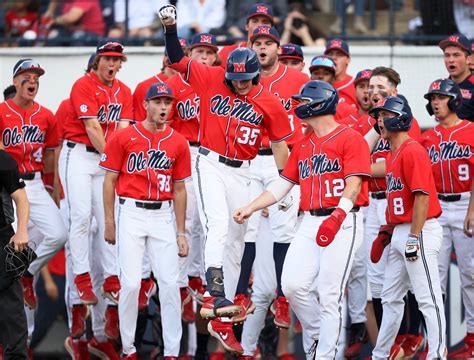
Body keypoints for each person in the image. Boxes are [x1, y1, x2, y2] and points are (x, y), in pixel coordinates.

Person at [159, 4, 292, 355]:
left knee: (237, 238)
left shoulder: (269, 102)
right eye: (235, 79)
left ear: (256, 75)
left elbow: (280, 144)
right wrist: (171, 28)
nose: (240, 84)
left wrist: (286, 183)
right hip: (210, 163)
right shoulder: (212, 77)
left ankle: (222, 313)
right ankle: (214, 291)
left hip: (245, 171)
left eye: (245, 78)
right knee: (218, 225)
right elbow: (176, 58)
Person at [234, 80, 371, 359]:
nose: (299, 106)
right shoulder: (305, 143)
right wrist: (251, 206)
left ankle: (324, 354)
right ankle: (320, 333)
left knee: (329, 294)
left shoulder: (350, 137)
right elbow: (283, 183)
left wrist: (338, 215)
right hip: (309, 221)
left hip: (342, 220)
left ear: (319, 103)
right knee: (293, 286)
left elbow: (354, 185)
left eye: (303, 101)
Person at [101, 82, 191, 359]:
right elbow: (109, 180)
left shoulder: (178, 141)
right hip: (130, 212)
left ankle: (172, 352)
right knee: (129, 284)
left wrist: (180, 232)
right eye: (159, 102)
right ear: (147, 105)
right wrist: (109, 221)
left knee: (169, 283)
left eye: (168, 102)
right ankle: (128, 349)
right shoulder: (123, 136)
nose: (164, 107)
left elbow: (179, 189)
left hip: (163, 214)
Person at [235, 24, 307, 356]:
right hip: (249, 162)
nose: (262, 48)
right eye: (257, 43)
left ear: (278, 47)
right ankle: (239, 298)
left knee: (282, 230)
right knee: (243, 228)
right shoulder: (240, 79)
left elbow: (308, 127)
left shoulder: (297, 81)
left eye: (268, 43)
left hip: (283, 160)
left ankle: (283, 299)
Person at [59, 41, 133, 351]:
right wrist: (114, 159)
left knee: (108, 222)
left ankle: (112, 280)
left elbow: (124, 127)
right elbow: (91, 127)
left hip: (105, 159)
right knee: (80, 219)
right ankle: (82, 278)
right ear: (97, 62)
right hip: (80, 155)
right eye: (108, 59)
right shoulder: (83, 84)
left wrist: (119, 159)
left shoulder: (124, 91)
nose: (113, 65)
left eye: (117, 60)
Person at [369, 96, 446, 360]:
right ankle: (381, 354)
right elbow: (399, 200)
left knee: (428, 298)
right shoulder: (393, 153)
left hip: (420, 230)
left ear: (400, 118)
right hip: (401, 230)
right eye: (379, 116)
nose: (381, 120)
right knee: (390, 298)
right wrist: (389, 231)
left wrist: (413, 236)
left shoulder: (412, 149)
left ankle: (437, 353)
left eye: (386, 115)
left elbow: (422, 197)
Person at [0, 59, 67, 313]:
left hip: (36, 183)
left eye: (36, 78)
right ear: (15, 81)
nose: (33, 81)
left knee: (59, 234)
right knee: (10, 249)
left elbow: (51, 156)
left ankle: (28, 272)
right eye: (27, 77)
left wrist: (53, 189)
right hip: (9, 187)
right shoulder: (2, 111)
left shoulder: (46, 115)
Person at [420, 78, 474, 358]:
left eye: (440, 97)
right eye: (433, 98)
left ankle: (473, 341)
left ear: (454, 100)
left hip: (467, 202)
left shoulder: (472, 130)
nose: (435, 102)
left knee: (470, 275)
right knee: (433, 278)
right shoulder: (427, 137)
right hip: (437, 207)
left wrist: (472, 209)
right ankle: (435, 344)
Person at [0, 144, 30, 360]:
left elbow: (21, 199)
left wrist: (21, 231)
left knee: (11, 306)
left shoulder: (3, 160)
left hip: (2, 237)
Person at [133, 38, 189, 121]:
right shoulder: (145, 87)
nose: (180, 63)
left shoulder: (193, 86)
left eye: (184, 58)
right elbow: (138, 123)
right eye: (176, 58)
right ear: (166, 60)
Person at [308, 55, 359, 123]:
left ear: (333, 79)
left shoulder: (346, 110)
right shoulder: (299, 105)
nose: (320, 76)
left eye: (326, 73)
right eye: (316, 73)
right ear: (311, 77)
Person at [439, 33, 474, 121]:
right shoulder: (441, 87)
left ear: (468, 59)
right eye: (447, 55)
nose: (451, 60)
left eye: (456, 55)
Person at [324, 38, 358, 108]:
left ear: (348, 60)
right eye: (330, 54)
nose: (334, 57)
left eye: (339, 55)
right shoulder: (315, 84)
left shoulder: (357, 86)